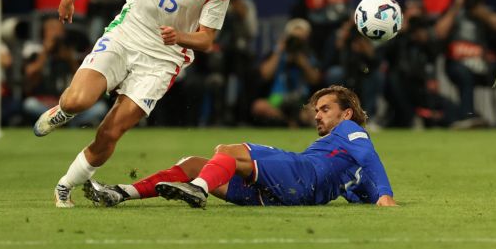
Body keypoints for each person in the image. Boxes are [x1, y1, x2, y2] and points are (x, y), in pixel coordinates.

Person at [33, 0, 232, 208]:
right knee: (79, 100)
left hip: (163, 60)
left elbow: (206, 40)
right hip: (125, 35)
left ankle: (65, 186)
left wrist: (179, 36)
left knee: (111, 132)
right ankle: (64, 111)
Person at [84, 85, 396, 209]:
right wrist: (371, 196)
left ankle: (199, 190)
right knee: (195, 163)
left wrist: (385, 195)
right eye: (316, 109)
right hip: (284, 195)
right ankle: (121, 192)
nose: (317, 114)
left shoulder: (350, 130)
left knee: (228, 150)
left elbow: (369, 156)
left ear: (347, 114)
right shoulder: (340, 154)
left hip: (301, 175)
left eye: (325, 109)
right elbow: (358, 182)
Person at [251, 18, 321, 128]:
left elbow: (315, 79)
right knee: (259, 106)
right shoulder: (276, 53)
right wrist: (279, 50)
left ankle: (295, 121)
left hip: (301, 100)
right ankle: (288, 122)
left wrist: (302, 61)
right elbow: (265, 74)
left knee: (315, 113)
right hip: (277, 99)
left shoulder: (309, 55)